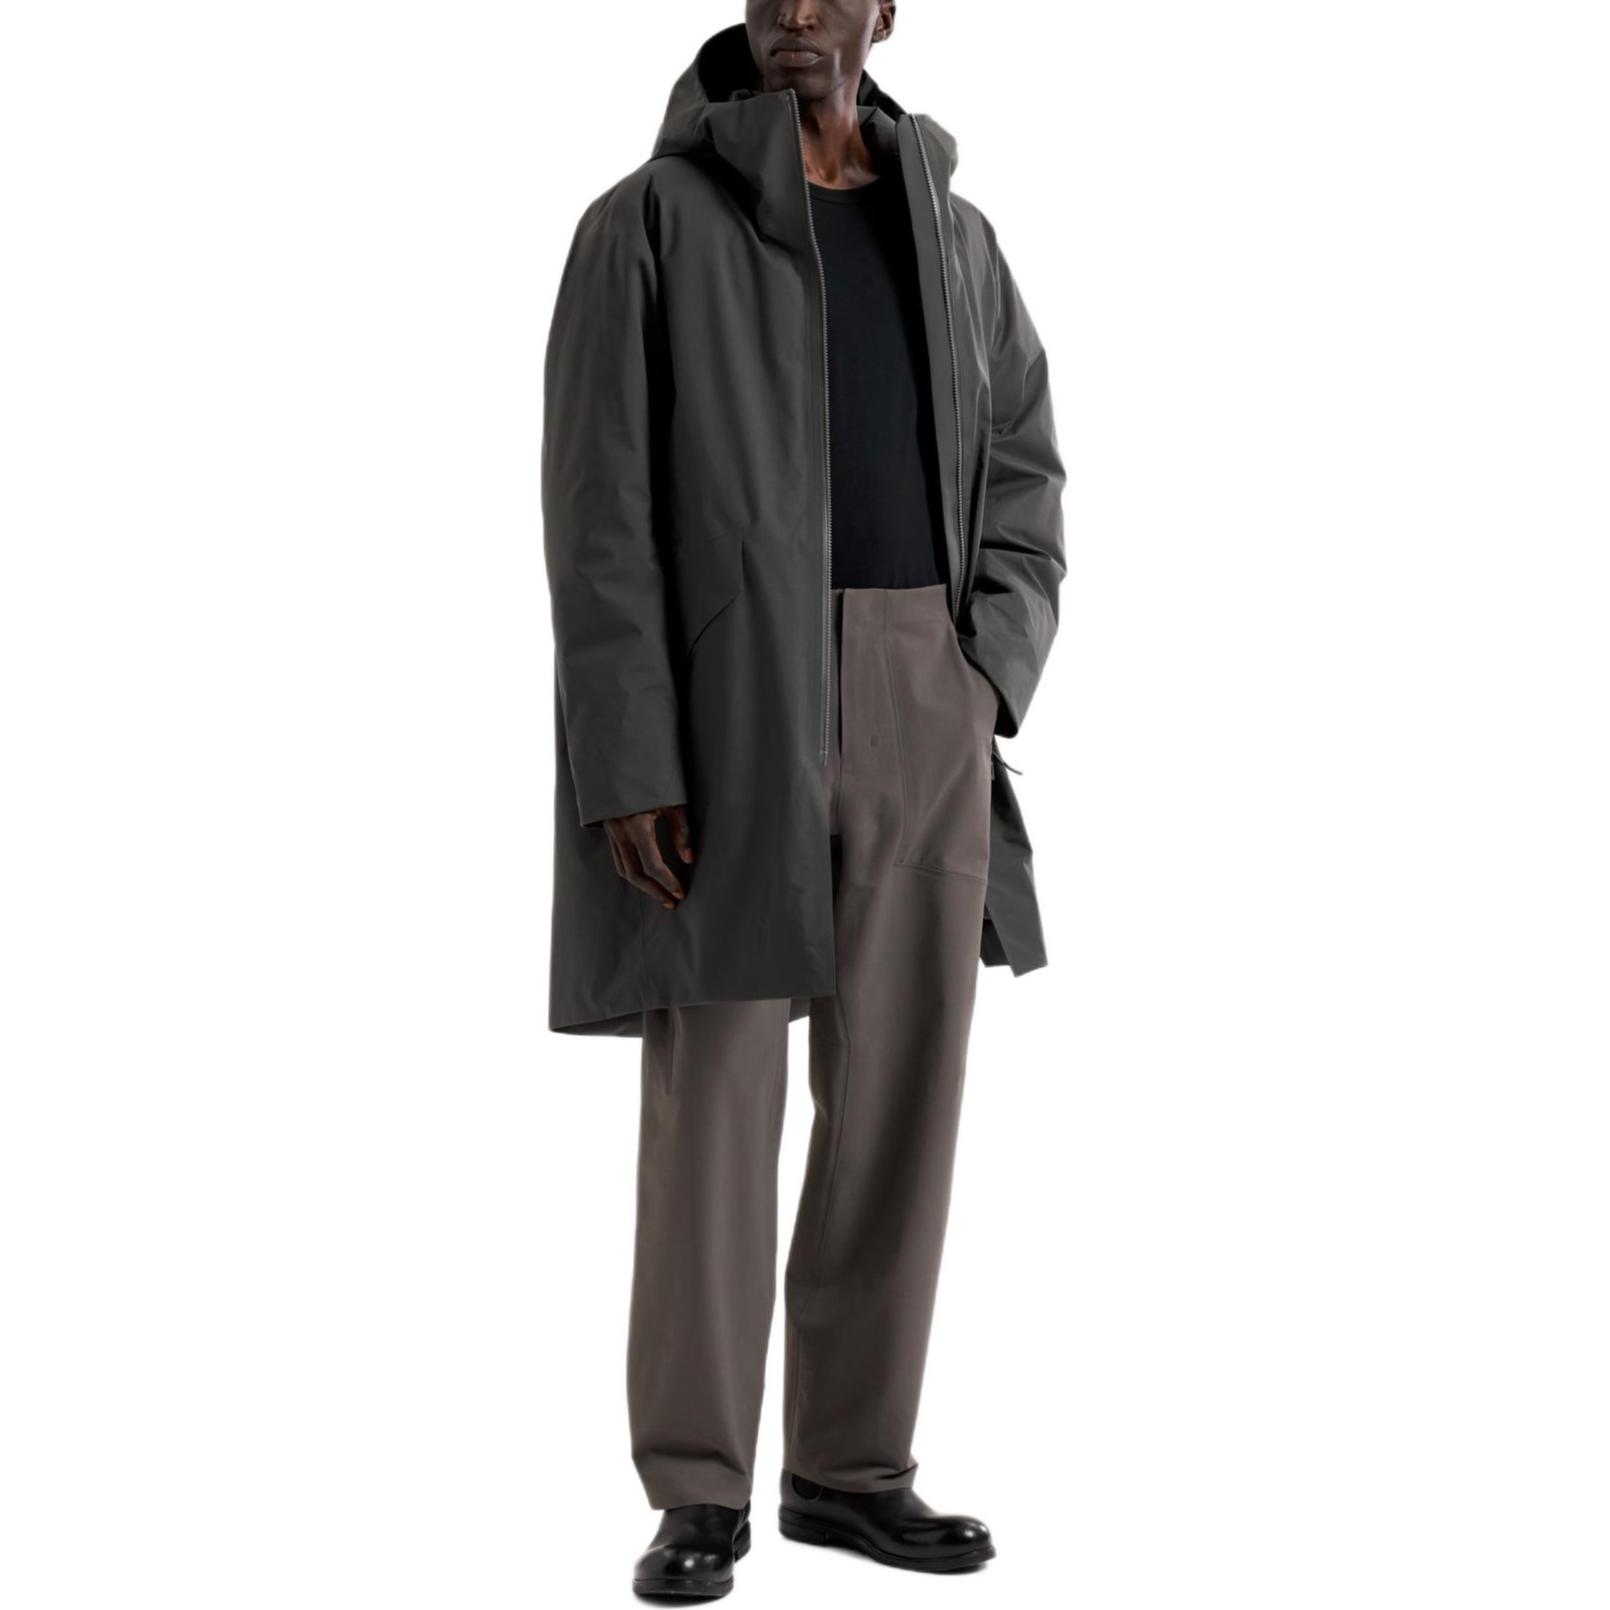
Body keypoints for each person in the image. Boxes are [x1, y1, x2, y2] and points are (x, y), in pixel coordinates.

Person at [542, 4, 1065, 1597]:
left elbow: (1025, 469)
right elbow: (597, 512)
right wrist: (631, 754)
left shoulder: (954, 235)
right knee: (714, 1100)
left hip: (924, 691)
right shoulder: (644, 224)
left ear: (881, 10)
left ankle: (850, 1467)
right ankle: (697, 1485)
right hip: (729, 704)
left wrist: (984, 669)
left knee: (900, 1095)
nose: (795, 8)